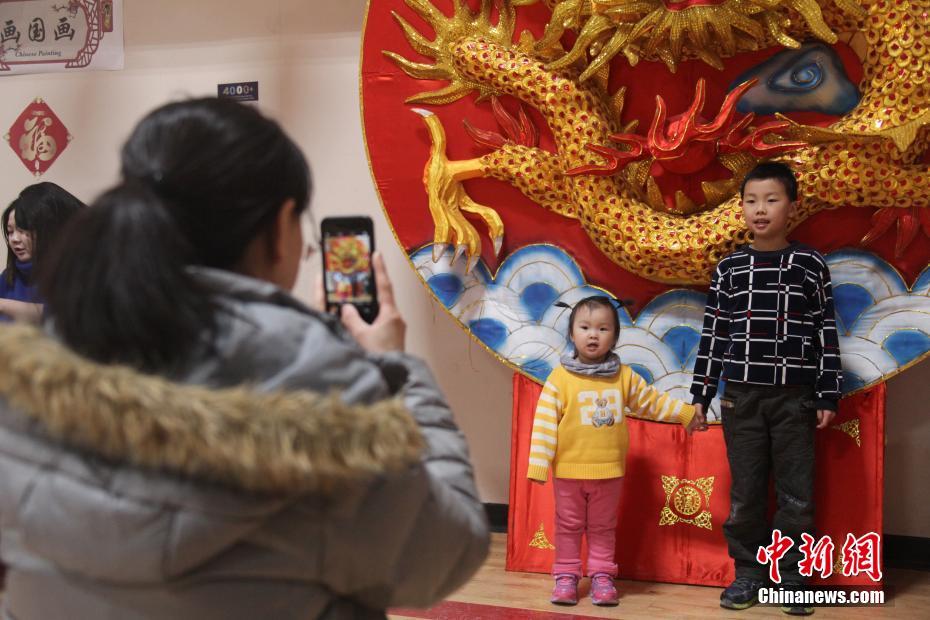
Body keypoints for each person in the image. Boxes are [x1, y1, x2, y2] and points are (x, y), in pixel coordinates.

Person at [0, 98, 489, 619]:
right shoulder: (322, 385)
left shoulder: (33, 376)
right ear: (280, 227)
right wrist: (397, 371)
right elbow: (444, 554)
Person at [690, 161, 842, 615]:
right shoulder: (729, 268)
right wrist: (701, 395)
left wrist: (828, 392)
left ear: (791, 207)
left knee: (797, 492)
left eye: (771, 200)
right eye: (751, 201)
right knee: (747, 491)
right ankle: (748, 574)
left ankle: (792, 576)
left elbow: (826, 332)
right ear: (741, 208)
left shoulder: (810, 265)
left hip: (796, 399)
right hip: (741, 399)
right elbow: (713, 335)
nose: (760, 209)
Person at [527, 295, 705, 607]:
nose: (593, 335)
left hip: (609, 471)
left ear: (615, 336)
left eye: (603, 328)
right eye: (585, 327)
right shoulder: (560, 379)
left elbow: (651, 401)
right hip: (568, 473)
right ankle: (566, 576)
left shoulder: (623, 377)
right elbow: (544, 424)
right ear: (572, 333)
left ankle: (602, 576)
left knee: (603, 527)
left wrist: (684, 413)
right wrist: (539, 465)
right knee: (568, 526)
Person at [0, 182, 84, 323]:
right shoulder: (9, 276)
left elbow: (61, 317)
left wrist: (3, 305)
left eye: (22, 230)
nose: (14, 239)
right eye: (10, 231)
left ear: (50, 229)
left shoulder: (76, 274)